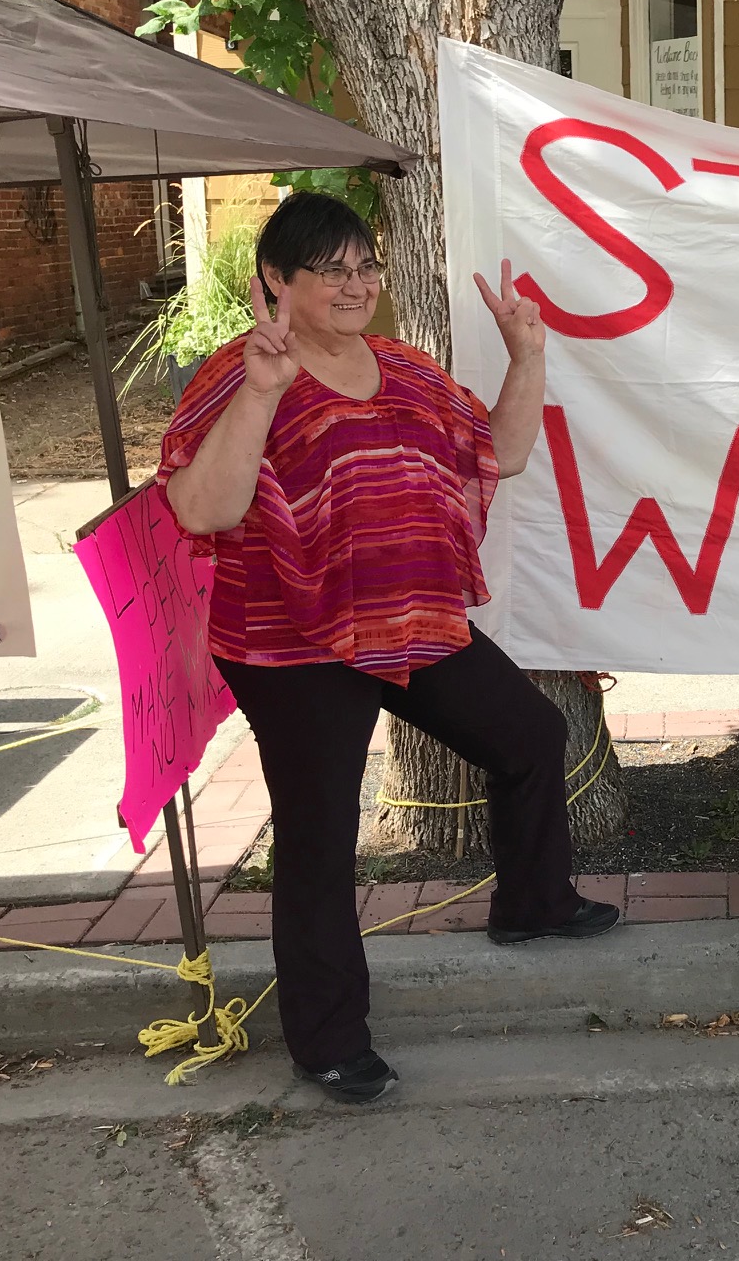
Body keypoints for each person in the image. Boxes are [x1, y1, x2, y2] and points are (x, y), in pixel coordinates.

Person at [159, 192, 619, 1105]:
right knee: (321, 833)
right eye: (331, 269)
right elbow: (201, 509)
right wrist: (261, 390)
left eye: (365, 266)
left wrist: (528, 357)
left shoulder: (406, 370)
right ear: (275, 284)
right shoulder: (237, 373)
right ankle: (327, 1041)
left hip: (409, 621)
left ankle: (534, 904)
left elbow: (503, 452)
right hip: (292, 647)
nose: (355, 284)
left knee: (527, 734)